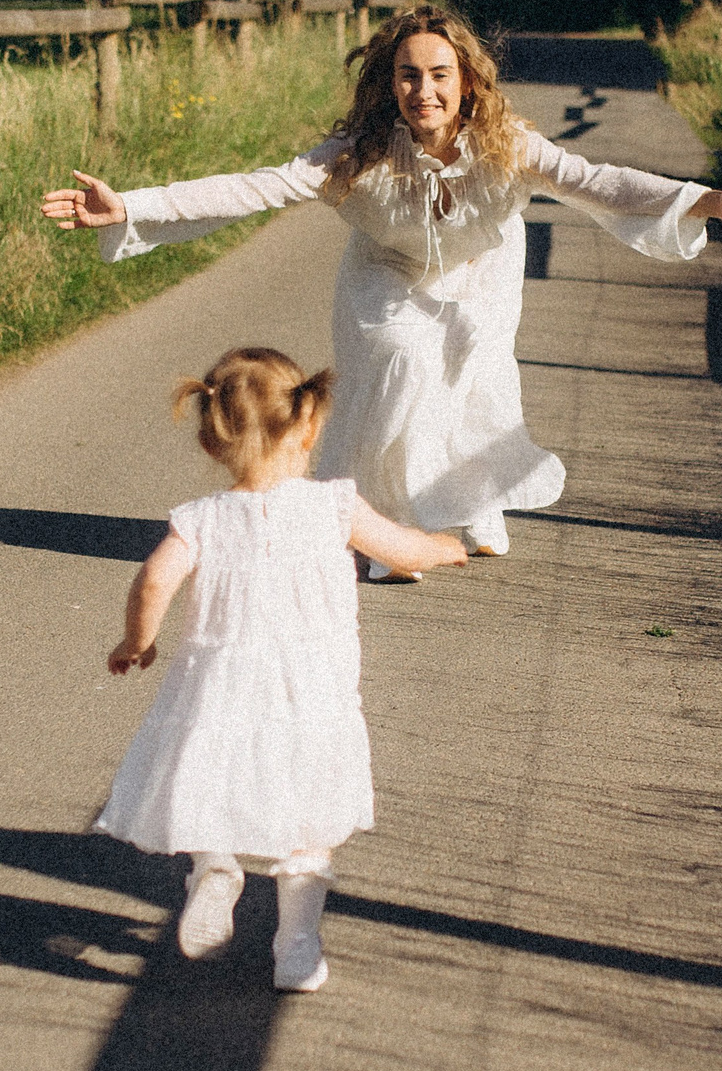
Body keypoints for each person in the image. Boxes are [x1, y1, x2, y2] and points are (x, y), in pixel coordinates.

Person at [42, 6, 722, 576]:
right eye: (408, 74)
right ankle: (387, 526)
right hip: (386, 270)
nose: (423, 89)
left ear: (465, 80)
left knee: (473, 370)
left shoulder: (510, 144)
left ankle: (474, 498)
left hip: (483, 264)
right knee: (403, 364)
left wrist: (712, 202)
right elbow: (251, 188)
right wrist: (133, 205)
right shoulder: (354, 156)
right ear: (388, 82)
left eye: (439, 74)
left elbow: (599, 182)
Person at [96, 346, 465, 992]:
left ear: (213, 441)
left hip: (220, 688)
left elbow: (155, 579)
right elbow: (402, 548)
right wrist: (438, 547)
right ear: (307, 426)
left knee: (216, 782)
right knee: (309, 816)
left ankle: (214, 865)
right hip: (312, 692)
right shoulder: (334, 506)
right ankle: (296, 945)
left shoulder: (201, 518)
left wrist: (138, 641)